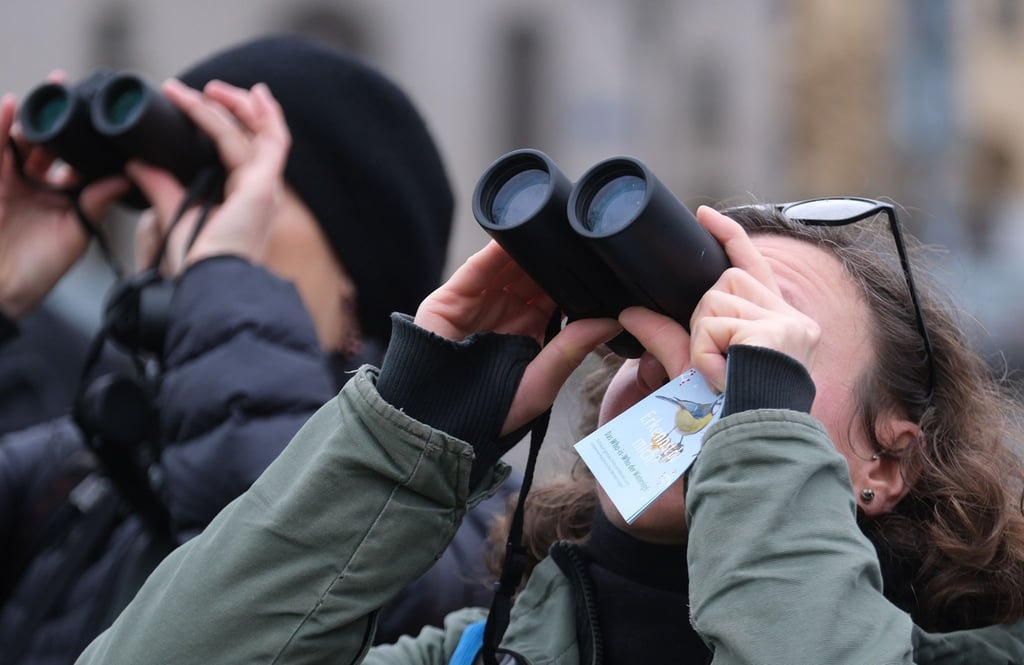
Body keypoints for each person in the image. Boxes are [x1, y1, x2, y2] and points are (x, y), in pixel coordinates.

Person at [73, 190, 1024, 664]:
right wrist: (400, 434)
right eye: (680, 330)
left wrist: (758, 434)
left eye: (764, 346)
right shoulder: (476, 651)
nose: (694, 369)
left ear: (885, 461)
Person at [0, 35, 515, 665]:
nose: (177, 222)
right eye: (171, 191)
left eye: (223, 189)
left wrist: (223, 283)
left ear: (355, 268)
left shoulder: (453, 495)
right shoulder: (83, 465)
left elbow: (287, 573)